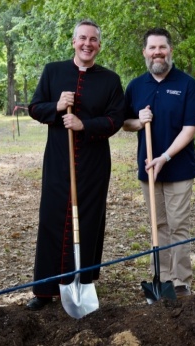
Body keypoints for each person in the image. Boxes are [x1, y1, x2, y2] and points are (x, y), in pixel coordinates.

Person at [26, 19, 125, 310]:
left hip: (94, 163)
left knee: (90, 219)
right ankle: (44, 290)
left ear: (99, 45)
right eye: (82, 38)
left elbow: (115, 119)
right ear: (73, 42)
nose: (87, 44)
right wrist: (56, 108)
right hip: (58, 159)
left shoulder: (110, 80)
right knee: (52, 218)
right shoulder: (53, 71)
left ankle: (83, 282)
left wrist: (84, 124)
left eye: (93, 39)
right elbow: (34, 107)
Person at [123, 28, 195, 297]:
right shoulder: (135, 86)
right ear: (145, 52)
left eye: (162, 47)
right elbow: (125, 123)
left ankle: (181, 282)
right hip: (148, 169)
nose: (158, 52)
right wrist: (139, 120)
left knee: (178, 224)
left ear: (170, 51)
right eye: (152, 48)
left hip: (178, 169)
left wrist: (165, 157)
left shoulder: (187, 84)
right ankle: (163, 279)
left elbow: (189, 129)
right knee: (159, 225)